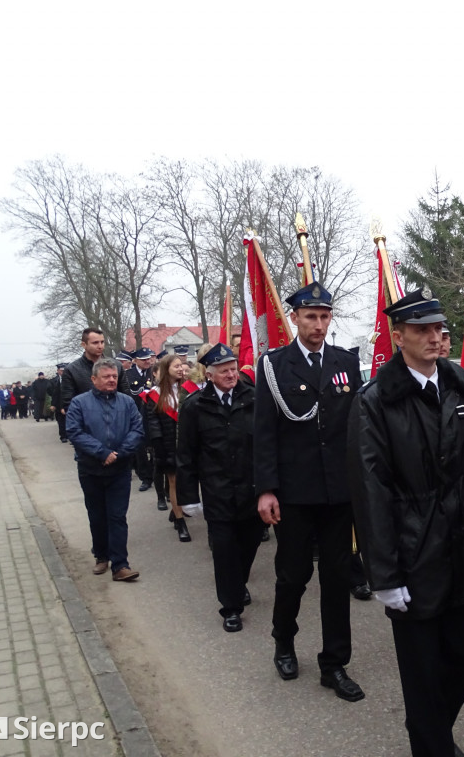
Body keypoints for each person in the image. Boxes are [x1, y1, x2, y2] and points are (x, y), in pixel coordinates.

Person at [348, 288, 464, 757]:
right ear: (398, 335)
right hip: (412, 549)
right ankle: (433, 743)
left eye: (438, 328)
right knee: (422, 669)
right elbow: (371, 489)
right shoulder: (376, 401)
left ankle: (430, 731)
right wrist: (382, 572)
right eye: (421, 329)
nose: (434, 336)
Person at [253, 281, 365, 702]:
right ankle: (284, 640)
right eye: (310, 317)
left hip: (337, 492)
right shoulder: (274, 365)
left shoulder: (345, 363)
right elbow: (264, 432)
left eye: (324, 317)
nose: (318, 325)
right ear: (294, 318)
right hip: (295, 492)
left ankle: (334, 663)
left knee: (337, 578)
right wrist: (266, 489)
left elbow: (354, 428)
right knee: (294, 574)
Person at [176, 343, 261, 632]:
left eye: (234, 369)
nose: (231, 375)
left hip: (251, 491)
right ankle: (231, 607)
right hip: (217, 493)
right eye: (224, 371)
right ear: (209, 374)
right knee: (224, 550)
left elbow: (267, 445)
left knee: (249, 545)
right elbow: (185, 455)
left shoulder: (254, 398)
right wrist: (188, 497)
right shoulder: (195, 406)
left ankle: (239, 583)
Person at [65, 358, 144, 582]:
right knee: (97, 515)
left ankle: (120, 565)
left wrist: (119, 453)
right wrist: (102, 452)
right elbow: (75, 432)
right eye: (106, 377)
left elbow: (137, 429)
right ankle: (101, 555)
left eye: (114, 377)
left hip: (119, 469)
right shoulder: (79, 403)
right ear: (93, 379)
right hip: (91, 469)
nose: (111, 380)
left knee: (117, 516)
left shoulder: (127, 402)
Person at [145, 353, 192, 543]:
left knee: (187, 481)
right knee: (173, 482)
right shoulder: (154, 394)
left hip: (187, 443)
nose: (181, 369)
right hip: (168, 443)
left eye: (181, 365)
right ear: (166, 370)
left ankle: (176, 510)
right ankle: (181, 523)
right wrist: (159, 448)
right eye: (176, 366)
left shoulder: (188, 390)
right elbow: (153, 423)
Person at [61, 328, 129, 415]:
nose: (100, 346)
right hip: (87, 421)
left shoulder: (117, 366)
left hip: (115, 419)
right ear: (84, 344)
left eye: (102, 342)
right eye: (95, 343)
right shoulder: (72, 370)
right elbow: (69, 404)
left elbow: (126, 395)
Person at [125, 347, 157, 495]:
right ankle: (145, 477)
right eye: (143, 359)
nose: (147, 361)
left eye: (148, 358)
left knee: (155, 446)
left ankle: (155, 474)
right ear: (135, 360)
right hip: (136, 416)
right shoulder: (127, 375)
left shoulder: (154, 372)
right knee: (140, 448)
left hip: (153, 414)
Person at [50, 364, 68, 441]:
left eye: (64, 370)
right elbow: (54, 394)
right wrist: (53, 404)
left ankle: (70, 436)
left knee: (69, 421)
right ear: (58, 371)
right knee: (60, 421)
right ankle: (63, 436)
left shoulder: (70, 379)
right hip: (58, 404)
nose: (63, 372)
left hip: (68, 403)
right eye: (61, 370)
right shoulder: (54, 381)